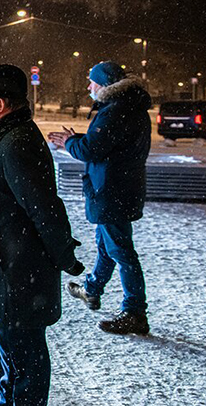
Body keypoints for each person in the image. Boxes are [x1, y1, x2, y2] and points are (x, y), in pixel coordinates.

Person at [0, 64, 84, 406]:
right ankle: (8, 400)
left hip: (19, 268)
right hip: (2, 262)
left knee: (25, 343)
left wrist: (64, 254)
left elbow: (44, 207)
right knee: (4, 334)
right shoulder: (0, 135)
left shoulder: (16, 142)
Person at [48, 62, 152, 335]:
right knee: (107, 244)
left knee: (121, 250)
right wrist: (78, 139)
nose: (88, 87)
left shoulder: (115, 111)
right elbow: (108, 144)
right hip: (119, 187)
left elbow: (92, 149)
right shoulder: (129, 107)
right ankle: (92, 289)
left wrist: (69, 143)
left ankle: (135, 312)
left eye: (92, 82)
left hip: (111, 189)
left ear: (105, 85)